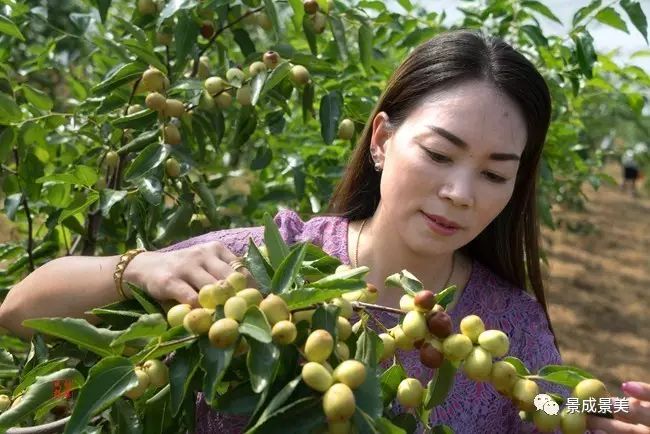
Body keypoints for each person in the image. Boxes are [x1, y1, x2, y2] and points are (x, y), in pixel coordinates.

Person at [0, 30, 648, 433]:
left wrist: (614, 412)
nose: (460, 192)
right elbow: (22, 308)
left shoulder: (513, 324)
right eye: (441, 154)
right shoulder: (264, 263)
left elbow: (555, 407)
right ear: (382, 139)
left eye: (494, 173)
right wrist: (135, 268)